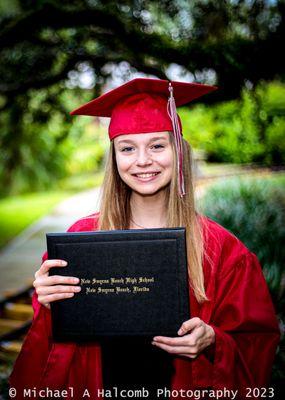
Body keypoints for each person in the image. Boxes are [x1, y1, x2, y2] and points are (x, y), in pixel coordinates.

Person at [10, 78, 280, 400]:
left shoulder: (221, 250)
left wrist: (212, 341)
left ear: (177, 151)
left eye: (156, 145)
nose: (142, 161)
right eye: (127, 148)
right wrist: (47, 301)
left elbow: (256, 343)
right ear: (115, 159)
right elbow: (53, 348)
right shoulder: (81, 240)